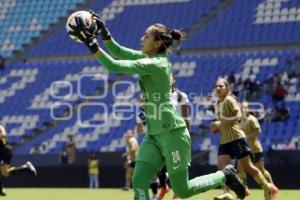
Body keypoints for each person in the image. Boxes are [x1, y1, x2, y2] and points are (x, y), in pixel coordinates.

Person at [68, 12, 246, 200]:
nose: (141, 38)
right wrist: (104, 33)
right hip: (153, 134)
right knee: (139, 181)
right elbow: (119, 52)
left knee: (183, 190)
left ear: (157, 43)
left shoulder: (156, 64)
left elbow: (113, 65)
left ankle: (224, 175)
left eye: (146, 36)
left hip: (173, 134)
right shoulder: (150, 59)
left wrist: (91, 44)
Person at [210, 78, 278, 200]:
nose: (218, 88)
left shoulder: (230, 100)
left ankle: (267, 187)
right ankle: (228, 193)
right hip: (224, 140)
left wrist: (222, 122)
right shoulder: (217, 104)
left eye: (221, 86)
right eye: (217, 86)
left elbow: (239, 116)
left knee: (248, 167)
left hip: (236, 138)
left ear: (227, 88)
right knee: (221, 167)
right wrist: (217, 127)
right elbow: (222, 123)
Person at [238, 102, 277, 192]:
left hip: (254, 148)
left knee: (261, 170)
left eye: (244, 108)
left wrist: (246, 137)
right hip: (244, 149)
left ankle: (272, 186)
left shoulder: (252, 119)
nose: (242, 109)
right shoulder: (240, 121)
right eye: (241, 108)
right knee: (240, 168)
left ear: (248, 109)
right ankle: (244, 190)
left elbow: (258, 131)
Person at [0, 125, 37, 196]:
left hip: (4, 150)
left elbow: (3, 135)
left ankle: (26, 167)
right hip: (2, 151)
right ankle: (1, 190)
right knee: (5, 173)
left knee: (5, 173)